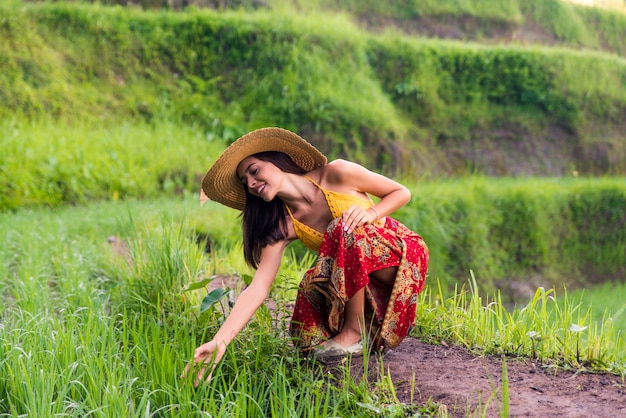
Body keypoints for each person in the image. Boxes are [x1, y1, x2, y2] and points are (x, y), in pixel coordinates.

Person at [185, 127, 428, 385]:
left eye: (254, 171)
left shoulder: (338, 173)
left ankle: (354, 331)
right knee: (310, 294)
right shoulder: (282, 225)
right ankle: (361, 330)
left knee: (342, 228)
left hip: (401, 259)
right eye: (246, 182)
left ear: (277, 160)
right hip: (361, 277)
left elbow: (401, 192)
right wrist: (219, 342)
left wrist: (370, 214)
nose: (252, 183)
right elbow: (258, 288)